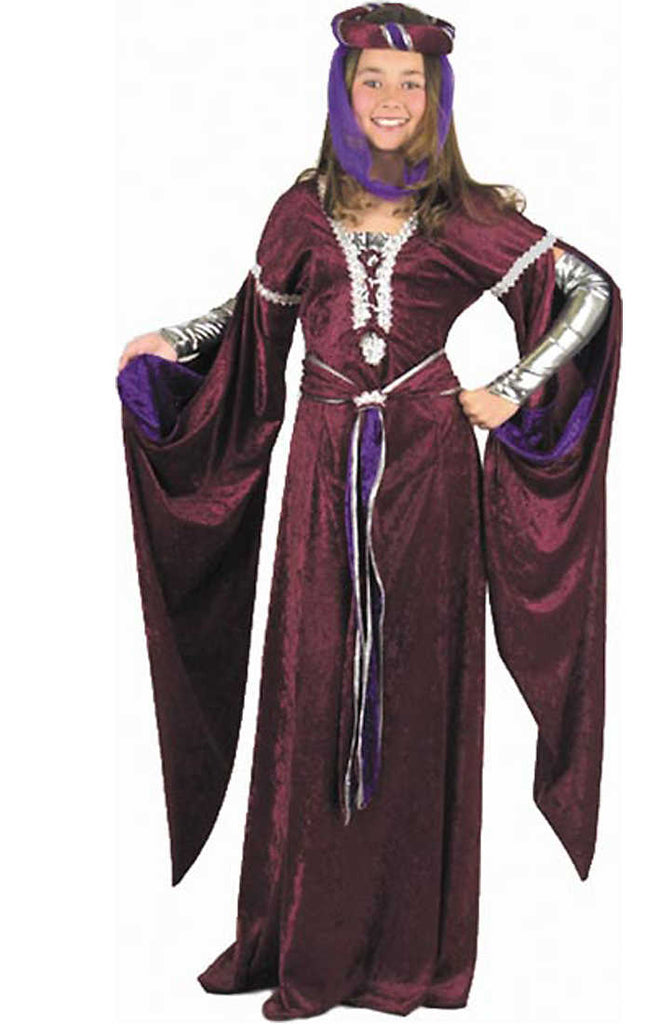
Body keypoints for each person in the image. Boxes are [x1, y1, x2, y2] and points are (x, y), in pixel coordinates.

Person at [116, 4, 621, 1020]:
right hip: (324, 470)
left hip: (429, 474)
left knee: (415, 687)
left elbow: (589, 290)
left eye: (410, 84)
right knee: (315, 682)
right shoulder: (301, 210)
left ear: (436, 99)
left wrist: (514, 386)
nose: (391, 100)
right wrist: (176, 339)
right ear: (342, 93)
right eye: (371, 82)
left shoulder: (465, 214)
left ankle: (406, 949)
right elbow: (256, 318)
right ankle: (304, 931)